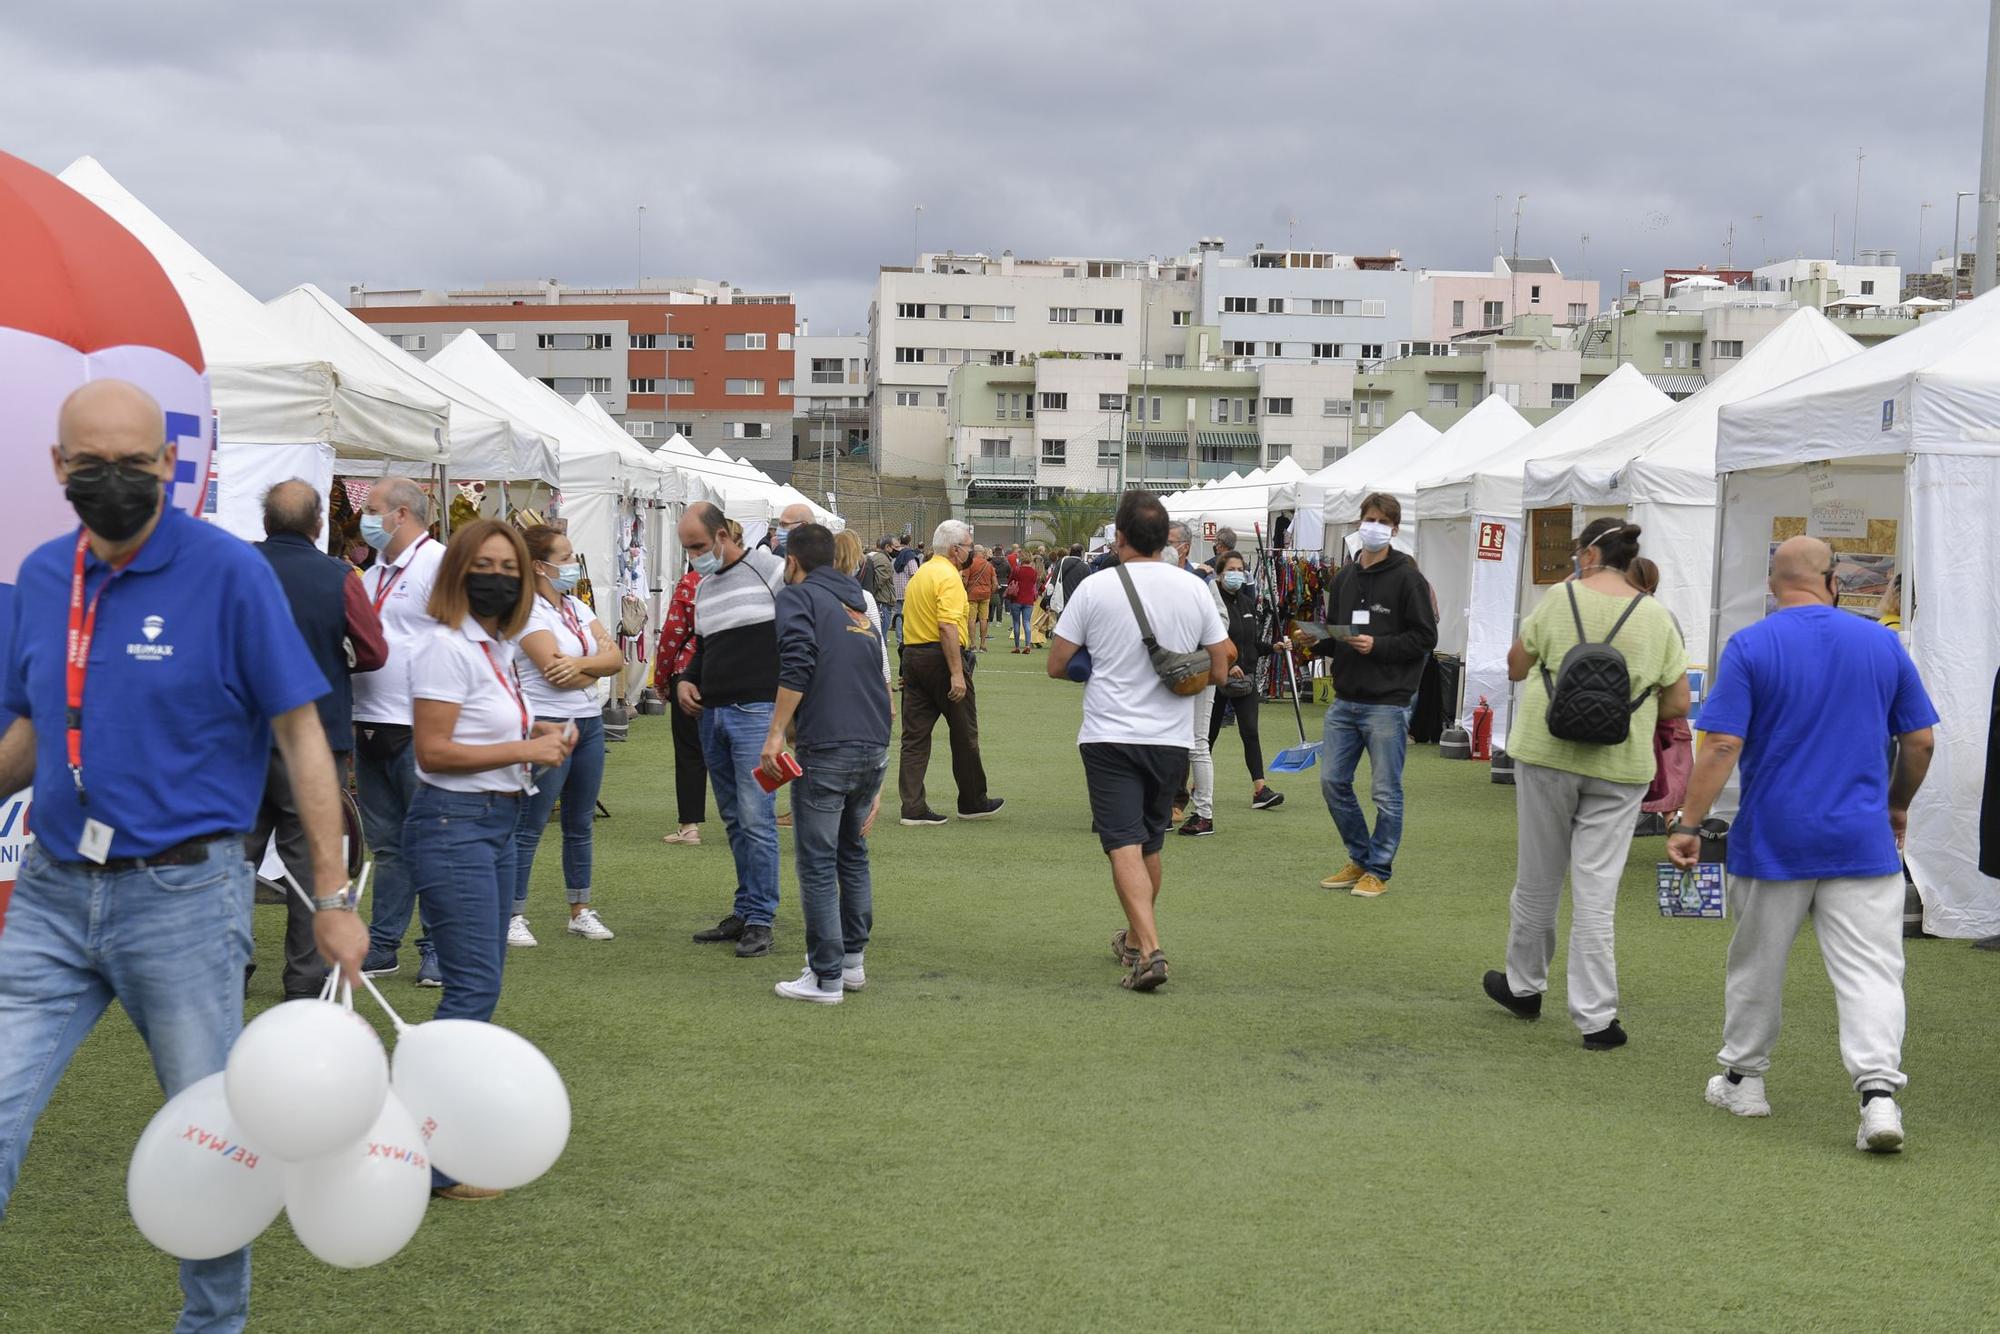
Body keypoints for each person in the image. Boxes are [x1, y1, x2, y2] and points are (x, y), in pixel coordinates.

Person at [0, 380, 366, 1331]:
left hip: (184, 897)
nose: (113, 480)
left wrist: (331, 896)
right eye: (91, 466)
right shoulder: (43, 577)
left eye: (133, 462)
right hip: (49, 894)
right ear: (58, 468)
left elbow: (301, 734)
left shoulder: (228, 574)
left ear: (171, 465)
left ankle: (213, 1325)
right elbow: (34, 729)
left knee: (212, 1143)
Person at [1671, 536, 1937, 1151]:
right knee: (1872, 971)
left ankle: (1745, 1079)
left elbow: (1720, 745)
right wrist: (1897, 805)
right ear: (1834, 581)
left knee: (1757, 963)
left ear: (1772, 585)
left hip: (1775, 837)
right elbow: (1919, 741)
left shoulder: (1751, 645)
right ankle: (1878, 1098)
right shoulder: (1880, 643)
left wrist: (1689, 823)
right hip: (1862, 837)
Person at [405, 519, 573, 1200]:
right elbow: (433, 752)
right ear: (460, 573)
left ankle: (433, 1145)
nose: (501, 575)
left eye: (512, 565)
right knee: (471, 989)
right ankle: (427, 1159)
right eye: (488, 563)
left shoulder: (494, 650)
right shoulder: (446, 648)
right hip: (457, 826)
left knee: (480, 984)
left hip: (492, 824)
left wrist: (531, 735)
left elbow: (477, 731)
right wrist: (525, 750)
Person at [1481, 520, 1689, 1049]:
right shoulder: (1657, 616)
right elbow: (1678, 703)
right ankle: (1597, 1019)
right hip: (1620, 763)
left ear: (1591, 552)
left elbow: (1516, 666)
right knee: (1597, 894)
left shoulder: (1558, 601)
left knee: (1538, 878)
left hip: (1546, 753)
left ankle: (1525, 986)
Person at [1046, 491, 1231, 992]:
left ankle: (1149, 950)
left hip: (1109, 732)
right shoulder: (1193, 588)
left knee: (1122, 845)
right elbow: (1221, 662)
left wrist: (1099, 664)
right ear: (1166, 538)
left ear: (1120, 537)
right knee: (1149, 843)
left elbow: (1058, 663)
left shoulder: (1095, 588)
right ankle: (1132, 938)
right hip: (1170, 738)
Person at [250, 480, 387, 1000]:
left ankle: (227, 968)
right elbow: (373, 651)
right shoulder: (340, 576)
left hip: (240, 737)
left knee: (231, 857)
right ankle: (304, 980)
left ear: (266, 522)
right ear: (318, 525)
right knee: (310, 861)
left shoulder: (235, 566)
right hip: (318, 735)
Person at [761, 524, 894, 1003]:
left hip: (830, 745)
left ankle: (825, 976)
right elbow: (876, 673)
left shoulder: (798, 598)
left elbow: (796, 661)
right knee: (851, 853)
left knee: (818, 863)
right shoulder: (858, 604)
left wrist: (776, 733)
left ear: (793, 562)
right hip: (872, 741)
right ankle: (850, 964)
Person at [1296, 493, 1438, 898]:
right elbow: (1341, 635)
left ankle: (1379, 868)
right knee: (1332, 782)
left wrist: (1378, 646)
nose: (1373, 526)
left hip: (1388, 702)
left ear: (1394, 529)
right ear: (1360, 523)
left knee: (1385, 792)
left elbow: (1426, 638)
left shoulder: (1408, 578)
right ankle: (1360, 857)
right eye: (1368, 519)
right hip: (1345, 699)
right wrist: (1315, 640)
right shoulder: (1344, 578)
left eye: (1381, 521)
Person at [675, 502, 787, 956]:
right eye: (687, 549)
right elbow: (707, 646)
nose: (694, 556)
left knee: (757, 819)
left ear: (724, 535)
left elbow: (800, 632)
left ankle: (760, 918)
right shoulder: (704, 587)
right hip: (714, 716)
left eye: (699, 546)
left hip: (756, 714)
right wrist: (686, 679)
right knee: (736, 820)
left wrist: (787, 717)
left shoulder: (771, 570)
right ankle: (746, 909)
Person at [508, 525, 623, 948]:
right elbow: (550, 671)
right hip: (546, 724)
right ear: (540, 565)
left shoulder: (576, 605)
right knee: (530, 823)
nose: (573, 564)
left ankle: (580, 909)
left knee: (579, 822)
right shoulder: (525, 610)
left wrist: (585, 666)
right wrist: (597, 663)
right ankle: (512, 912)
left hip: (588, 721)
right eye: (566, 557)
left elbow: (616, 659)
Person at [352, 476, 448, 986]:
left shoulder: (439, 564)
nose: (363, 517)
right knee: (388, 846)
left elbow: (465, 639)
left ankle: (436, 947)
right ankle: (384, 945)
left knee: (431, 842)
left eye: (371, 508)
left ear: (402, 515)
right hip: (370, 724)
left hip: (419, 727)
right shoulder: (371, 576)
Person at [898, 520, 1003, 826]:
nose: (971, 550)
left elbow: (909, 619)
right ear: (956, 550)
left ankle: (912, 806)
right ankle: (972, 801)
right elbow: (946, 626)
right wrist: (957, 673)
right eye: (969, 545)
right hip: (941, 658)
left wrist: (908, 664)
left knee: (914, 737)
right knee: (964, 732)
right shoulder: (949, 577)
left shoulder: (922, 574)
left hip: (914, 656)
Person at [1210, 549, 1283, 811]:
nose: (1236, 574)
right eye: (1231, 569)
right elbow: (1208, 640)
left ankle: (1260, 789)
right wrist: (1228, 664)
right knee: (1208, 736)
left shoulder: (1246, 602)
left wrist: (1272, 647)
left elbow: (1250, 643)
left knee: (1250, 732)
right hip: (1217, 677)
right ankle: (1190, 788)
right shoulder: (1213, 602)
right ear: (1220, 572)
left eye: (1240, 569)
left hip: (1246, 680)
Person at [1166, 520, 1224, 836]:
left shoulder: (1202, 580)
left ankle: (1204, 813)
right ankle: (1164, 807)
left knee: (1197, 743)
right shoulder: (1160, 577)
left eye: (1170, 541)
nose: (1163, 546)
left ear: (1185, 546)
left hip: (1196, 667)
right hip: (1167, 669)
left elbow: (1220, 622)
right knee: (1166, 740)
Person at [1627, 557, 1693, 830]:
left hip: (1626, 707)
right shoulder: (1666, 616)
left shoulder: (1614, 613)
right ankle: (1677, 835)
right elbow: (1677, 663)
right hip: (1663, 706)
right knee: (1674, 784)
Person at [656, 561, 708, 845]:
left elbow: (672, 635)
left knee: (689, 751)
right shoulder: (750, 581)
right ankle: (751, 821)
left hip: (689, 674)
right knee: (742, 752)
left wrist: (662, 679)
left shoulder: (690, 583)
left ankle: (690, 826)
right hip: (736, 675)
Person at [962, 544, 998, 651]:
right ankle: (983, 645)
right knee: (984, 619)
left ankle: (972, 644)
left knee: (971, 619)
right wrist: (990, 592)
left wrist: (964, 591)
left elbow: (964, 581)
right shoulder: (989, 565)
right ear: (982, 553)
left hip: (972, 595)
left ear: (974, 552)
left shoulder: (969, 564)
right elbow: (995, 583)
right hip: (985, 595)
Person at [1006, 549, 1040, 653]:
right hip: (1029, 600)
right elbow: (1034, 583)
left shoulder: (1017, 570)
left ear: (1021, 559)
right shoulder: (1034, 572)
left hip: (1016, 599)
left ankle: (1017, 647)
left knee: (1016, 623)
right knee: (1026, 622)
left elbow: (1010, 581)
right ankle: (1027, 646)